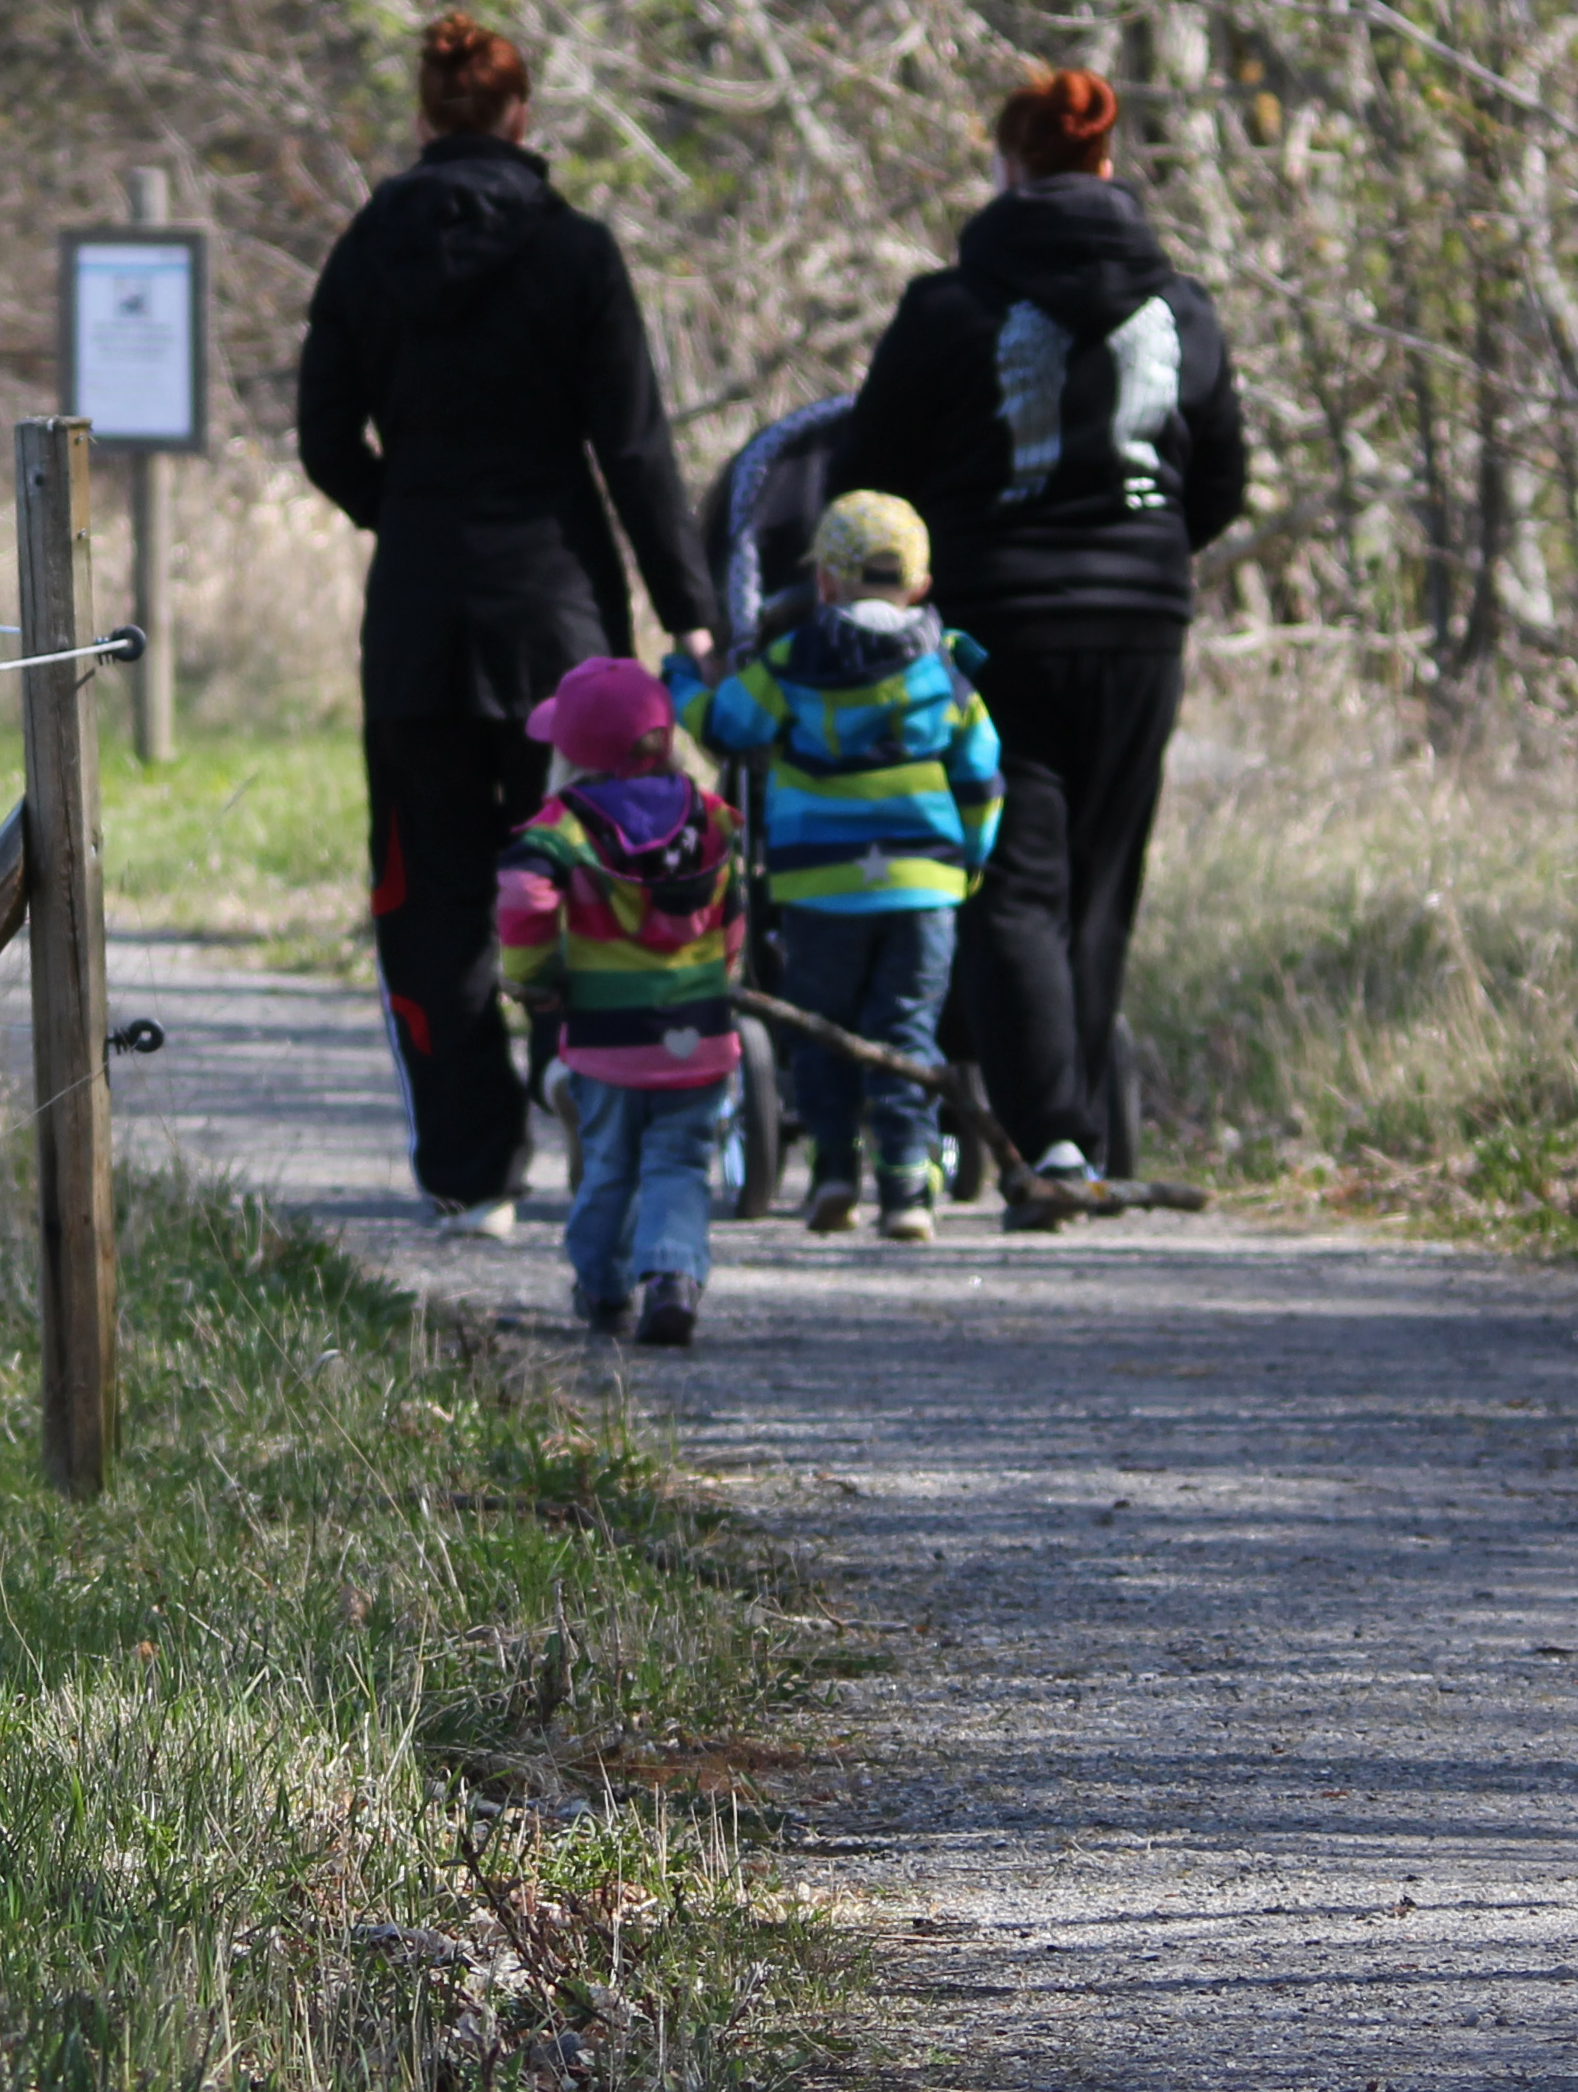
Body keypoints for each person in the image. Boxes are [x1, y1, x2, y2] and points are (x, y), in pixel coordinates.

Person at [301, 13, 723, 1238]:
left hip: (421, 629)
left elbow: (324, 438)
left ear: (427, 121)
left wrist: (407, 513)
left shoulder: (368, 249)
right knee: (587, 876)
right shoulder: (575, 252)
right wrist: (691, 615)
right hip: (561, 634)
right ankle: (589, 1101)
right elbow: (635, 449)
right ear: (523, 117)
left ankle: (470, 1171)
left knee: (428, 901)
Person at [826, 69, 1248, 1231]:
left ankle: (1047, 1134)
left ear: (1008, 169)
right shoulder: (1188, 311)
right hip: (1140, 629)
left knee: (1010, 877)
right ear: (1110, 170)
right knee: (1101, 884)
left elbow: (866, 481)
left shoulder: (946, 311)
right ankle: (1077, 1131)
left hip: (992, 625)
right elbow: (1218, 484)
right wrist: (1145, 556)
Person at [673, 492, 1001, 1240]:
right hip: (923, 885)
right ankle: (906, 1186)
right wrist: (970, 859)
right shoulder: (946, 670)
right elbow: (982, 773)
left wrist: (683, 684)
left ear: (823, 582)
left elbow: (729, 727)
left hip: (819, 883)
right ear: (920, 586)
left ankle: (832, 1171)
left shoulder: (792, 663)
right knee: (906, 1028)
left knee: (823, 1027)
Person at [494, 657, 742, 1346]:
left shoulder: (568, 823)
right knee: (680, 1163)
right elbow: (736, 910)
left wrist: (534, 973)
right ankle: (673, 1276)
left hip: (608, 1040)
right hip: (700, 1033)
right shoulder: (711, 816)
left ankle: (603, 1288)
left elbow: (521, 893)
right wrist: (724, 967)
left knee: (611, 1164)